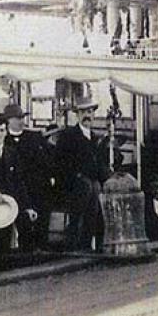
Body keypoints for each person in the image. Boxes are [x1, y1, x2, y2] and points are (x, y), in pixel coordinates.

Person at [0, 114, 37, 272]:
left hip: (12, 203)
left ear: (6, 132)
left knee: (27, 225)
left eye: (2, 130)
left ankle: (22, 271)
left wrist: (27, 206)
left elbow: (19, 182)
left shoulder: (12, 153)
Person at [54, 96, 109, 251]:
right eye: (83, 112)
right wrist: (77, 177)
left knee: (96, 190)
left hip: (91, 185)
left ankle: (87, 245)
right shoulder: (68, 136)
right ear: (77, 115)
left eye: (90, 112)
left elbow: (99, 165)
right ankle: (73, 246)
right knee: (88, 190)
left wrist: (109, 176)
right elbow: (60, 164)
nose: (87, 115)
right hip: (71, 185)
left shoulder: (95, 138)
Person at [3, 104, 56, 253]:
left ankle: (41, 247)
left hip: (37, 185)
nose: (22, 121)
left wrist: (50, 177)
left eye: (22, 118)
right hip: (14, 187)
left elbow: (47, 159)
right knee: (22, 217)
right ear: (8, 121)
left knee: (43, 210)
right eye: (18, 118)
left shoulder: (34, 137)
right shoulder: (4, 139)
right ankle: (25, 251)